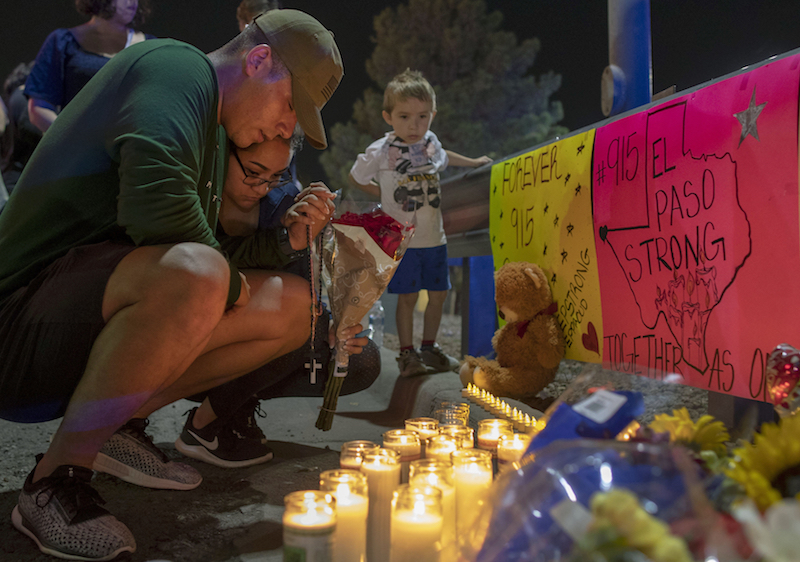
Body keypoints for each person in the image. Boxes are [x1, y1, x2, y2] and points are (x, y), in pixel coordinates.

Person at [0, 10, 344, 560]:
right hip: (16, 323)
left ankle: (115, 425)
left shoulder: (211, 132)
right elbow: (158, 208)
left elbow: (203, 248)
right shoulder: (176, 68)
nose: (288, 129)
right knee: (203, 277)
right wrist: (230, 286)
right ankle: (54, 479)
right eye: (289, 107)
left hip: (72, 321)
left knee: (296, 306)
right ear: (257, 60)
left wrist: (288, 244)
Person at [174, 135, 378, 468]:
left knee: (357, 356)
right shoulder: (193, 200)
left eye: (275, 176)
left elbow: (303, 291)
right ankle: (203, 426)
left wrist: (333, 323)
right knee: (293, 320)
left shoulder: (284, 205)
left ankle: (237, 406)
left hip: (258, 339)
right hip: (196, 339)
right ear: (223, 157)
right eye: (253, 172)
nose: (261, 187)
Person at [349, 69, 493, 377]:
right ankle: (407, 355)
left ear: (432, 115)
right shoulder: (382, 150)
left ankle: (430, 348)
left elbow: (444, 157)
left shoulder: (430, 144)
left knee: (438, 295)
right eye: (404, 117)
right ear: (388, 116)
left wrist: (473, 162)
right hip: (405, 240)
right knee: (408, 297)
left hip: (435, 239)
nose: (414, 126)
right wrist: (383, 194)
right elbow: (356, 176)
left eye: (422, 117)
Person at [25, 0, 155, 133]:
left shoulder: (152, 47)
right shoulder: (63, 42)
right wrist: (76, 141)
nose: (132, 1)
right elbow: (39, 108)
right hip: (79, 147)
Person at [1, 62, 42, 197]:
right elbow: (31, 129)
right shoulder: (22, 96)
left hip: (19, 178)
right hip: (22, 180)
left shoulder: (17, 97)